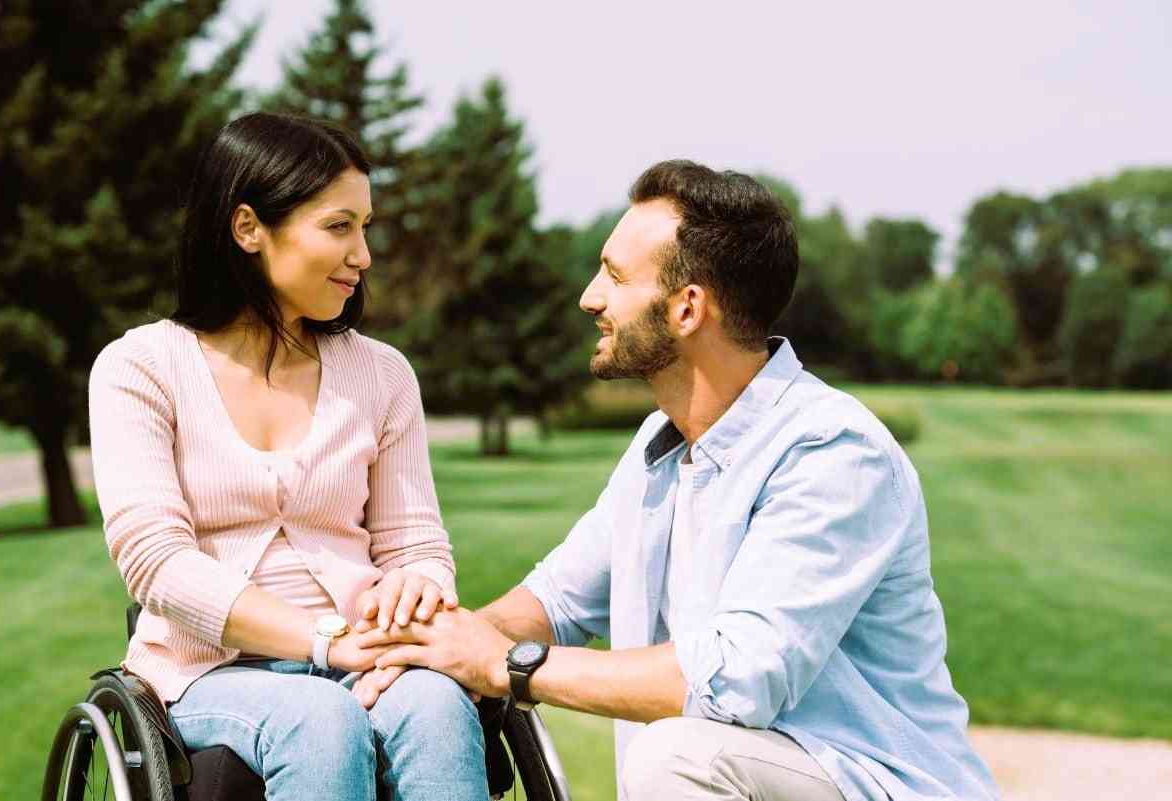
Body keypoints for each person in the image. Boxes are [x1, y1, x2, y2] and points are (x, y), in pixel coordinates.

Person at [354, 160, 1002, 801]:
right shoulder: (655, 449)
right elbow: (557, 601)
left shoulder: (833, 452)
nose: (589, 296)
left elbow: (738, 679)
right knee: (674, 751)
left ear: (687, 307)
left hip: (888, 787)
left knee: (676, 753)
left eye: (613, 275)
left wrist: (503, 665)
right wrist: (426, 643)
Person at [87, 112, 488, 801]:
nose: (363, 255)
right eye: (339, 227)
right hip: (205, 672)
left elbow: (417, 543)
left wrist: (415, 581)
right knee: (320, 718)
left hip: (362, 655)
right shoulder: (140, 368)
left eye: (366, 227)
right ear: (248, 228)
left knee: (438, 706)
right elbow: (157, 562)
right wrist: (321, 638)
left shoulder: (383, 375)